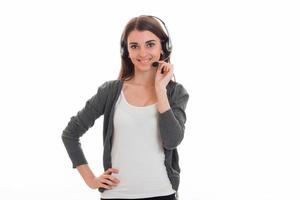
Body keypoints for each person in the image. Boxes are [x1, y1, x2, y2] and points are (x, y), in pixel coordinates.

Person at [61, 15, 189, 200]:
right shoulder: (110, 92)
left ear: (164, 47)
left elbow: (172, 140)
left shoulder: (175, 93)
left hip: (162, 194)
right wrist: (90, 179)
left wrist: (160, 89)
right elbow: (70, 134)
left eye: (150, 44)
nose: (142, 53)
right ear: (126, 51)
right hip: (116, 195)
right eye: (134, 46)